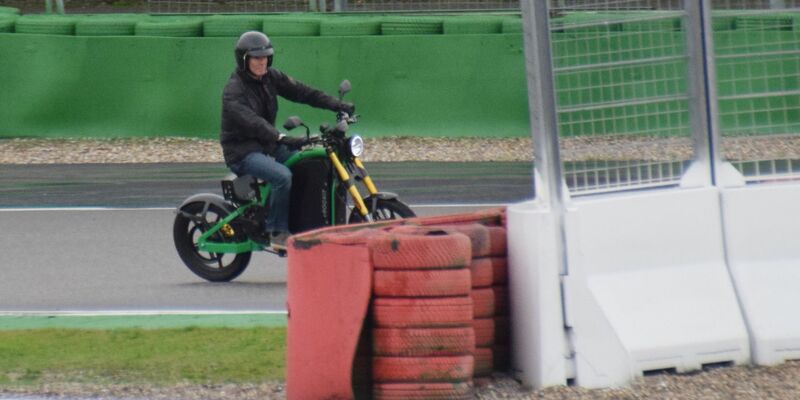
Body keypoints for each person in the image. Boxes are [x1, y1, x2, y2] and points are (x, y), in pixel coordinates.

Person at [220, 31, 354, 251]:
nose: (262, 61)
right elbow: (253, 122)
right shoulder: (234, 91)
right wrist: (280, 137)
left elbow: (303, 92)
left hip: (266, 144)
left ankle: (303, 222)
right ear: (244, 60)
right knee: (282, 176)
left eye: (266, 57)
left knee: (306, 163)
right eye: (256, 57)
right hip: (242, 151)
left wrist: (336, 105)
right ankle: (276, 232)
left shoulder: (270, 77)